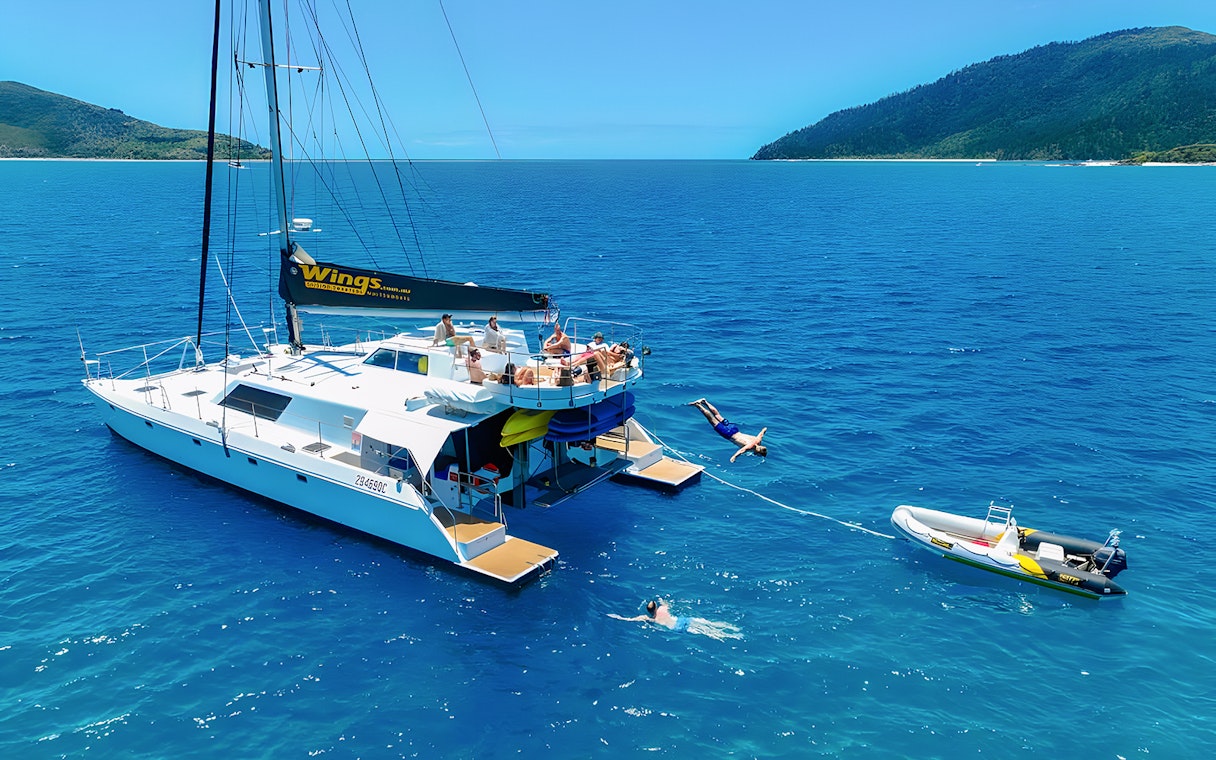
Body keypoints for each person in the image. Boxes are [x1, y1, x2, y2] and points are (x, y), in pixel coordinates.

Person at [609, 599, 742, 640]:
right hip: (683, 619)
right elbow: (667, 604)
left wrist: (618, 617)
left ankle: (731, 636)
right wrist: (662, 600)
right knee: (708, 623)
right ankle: (733, 628)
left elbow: (630, 619)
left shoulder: (649, 618)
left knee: (707, 632)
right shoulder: (662, 609)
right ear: (656, 606)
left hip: (676, 628)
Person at [689, 398, 767, 462]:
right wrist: (734, 457)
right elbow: (741, 451)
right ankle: (698, 405)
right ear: (758, 451)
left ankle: (704, 401)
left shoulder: (758, 440)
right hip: (728, 433)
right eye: (758, 454)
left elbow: (762, 432)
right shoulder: (750, 447)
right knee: (711, 419)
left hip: (734, 429)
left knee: (717, 415)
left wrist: (764, 429)